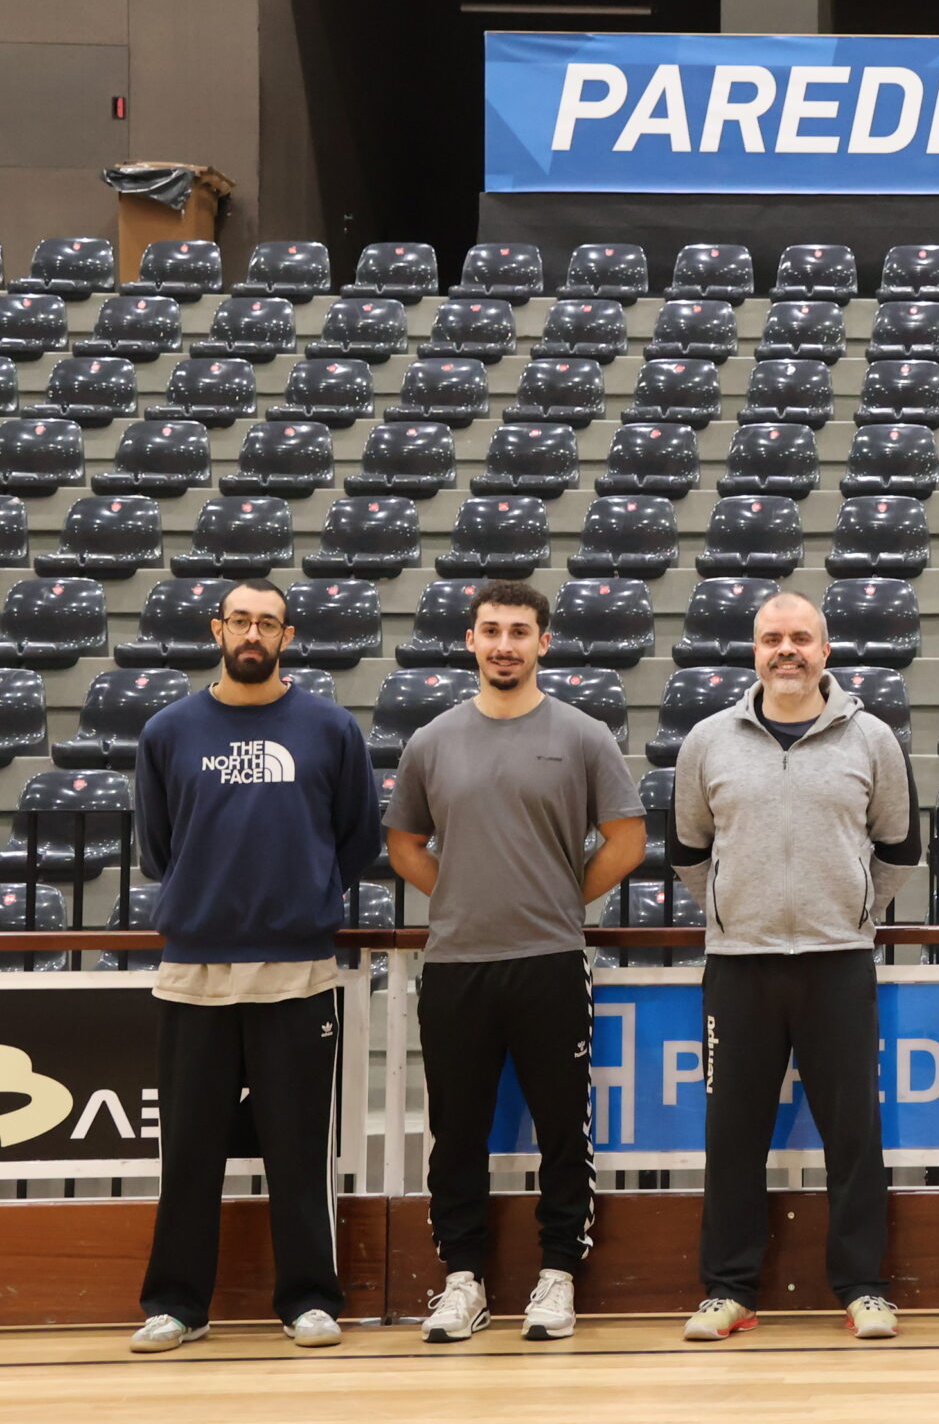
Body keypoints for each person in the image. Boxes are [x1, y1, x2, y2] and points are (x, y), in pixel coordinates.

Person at [386, 579, 645, 1343]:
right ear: (471, 640)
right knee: (456, 1131)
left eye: (519, 631)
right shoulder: (432, 740)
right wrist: (463, 893)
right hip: (456, 964)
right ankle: (462, 1278)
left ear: (543, 642)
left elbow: (627, 840)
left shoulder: (583, 734)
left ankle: (558, 1271)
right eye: (492, 630)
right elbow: (404, 843)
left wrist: (559, 895)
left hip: (550, 959)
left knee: (563, 1127)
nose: (505, 644)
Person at [128, 580, 382, 1353]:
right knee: (189, 1153)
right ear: (218, 629)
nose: (252, 632)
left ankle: (310, 1298)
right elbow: (158, 848)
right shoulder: (168, 730)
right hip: (194, 974)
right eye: (240, 619)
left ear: (286, 636)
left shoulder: (329, 728)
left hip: (297, 974)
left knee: (299, 1150)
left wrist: (300, 895)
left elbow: (357, 838)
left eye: (267, 622)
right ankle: (178, 1304)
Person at [670, 591, 918, 1342]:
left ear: (825, 650)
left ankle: (864, 1287)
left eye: (801, 638)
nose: (787, 650)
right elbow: (687, 851)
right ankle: (729, 1289)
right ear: (754, 651)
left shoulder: (871, 738)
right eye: (773, 638)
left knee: (854, 1133)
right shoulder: (707, 742)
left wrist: (848, 909)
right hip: (739, 966)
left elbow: (900, 848)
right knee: (732, 1134)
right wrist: (733, 911)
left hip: (838, 963)